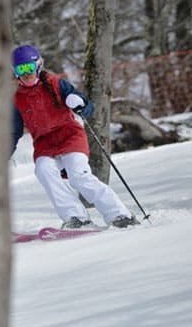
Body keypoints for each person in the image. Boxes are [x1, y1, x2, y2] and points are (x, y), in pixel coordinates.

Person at [11, 44, 139, 229]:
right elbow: (12, 132)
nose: (26, 73)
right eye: (20, 69)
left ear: (38, 66)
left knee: (78, 175)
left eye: (29, 67)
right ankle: (76, 217)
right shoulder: (17, 99)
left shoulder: (56, 84)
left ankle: (120, 214)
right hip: (45, 145)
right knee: (43, 170)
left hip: (70, 136)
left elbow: (87, 107)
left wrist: (79, 104)